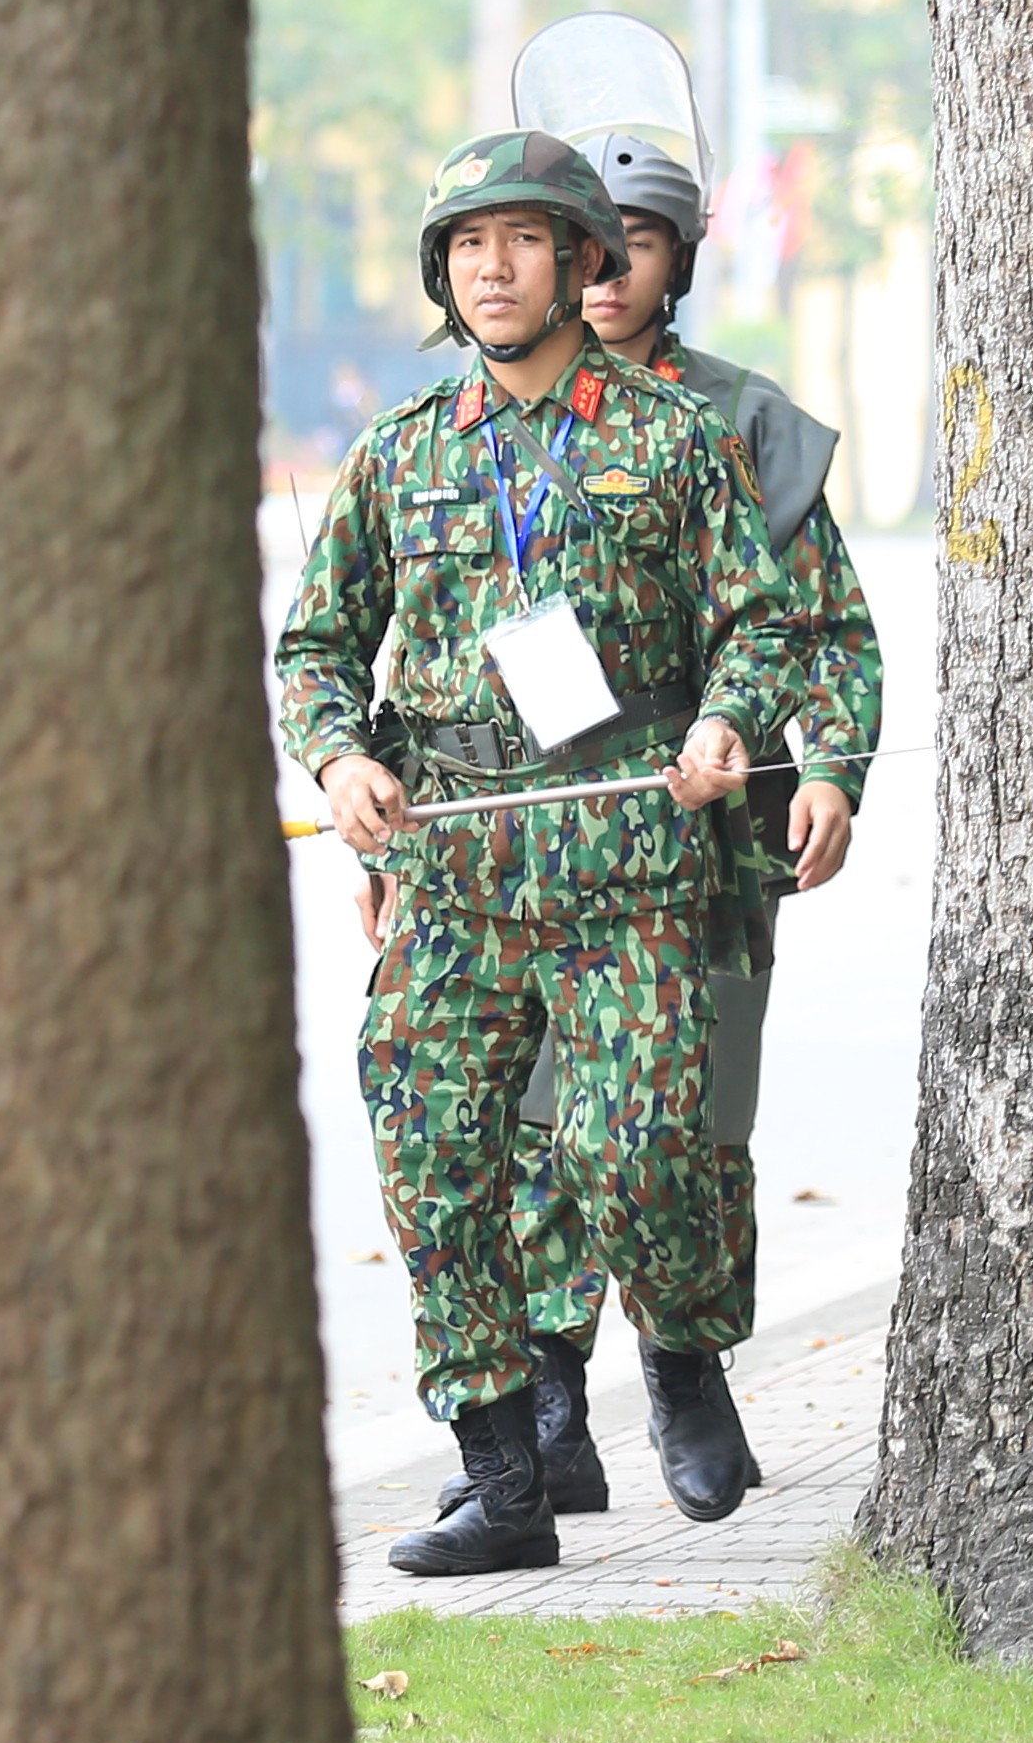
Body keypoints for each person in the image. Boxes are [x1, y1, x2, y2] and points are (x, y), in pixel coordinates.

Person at [273, 133, 810, 1576]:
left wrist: (725, 723)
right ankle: (503, 1479)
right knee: (439, 1162)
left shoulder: (672, 438)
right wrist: (344, 757)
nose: (492, 269)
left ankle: (685, 1361)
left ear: (583, 261)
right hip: (457, 869)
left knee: (635, 1150)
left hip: (629, 854)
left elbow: (760, 621)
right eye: (466, 246)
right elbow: (317, 645)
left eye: (521, 242)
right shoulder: (399, 451)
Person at [430, 128, 882, 1525]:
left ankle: (690, 1370)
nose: (598, 265)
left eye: (629, 239)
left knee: (674, 1123)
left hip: (701, 836)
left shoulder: (729, 426)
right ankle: (553, 1403)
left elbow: (820, 625)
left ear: (668, 260)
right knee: (530, 1123)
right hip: (517, 839)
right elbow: (432, 649)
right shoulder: (474, 424)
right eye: (579, 237)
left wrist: (827, 767)